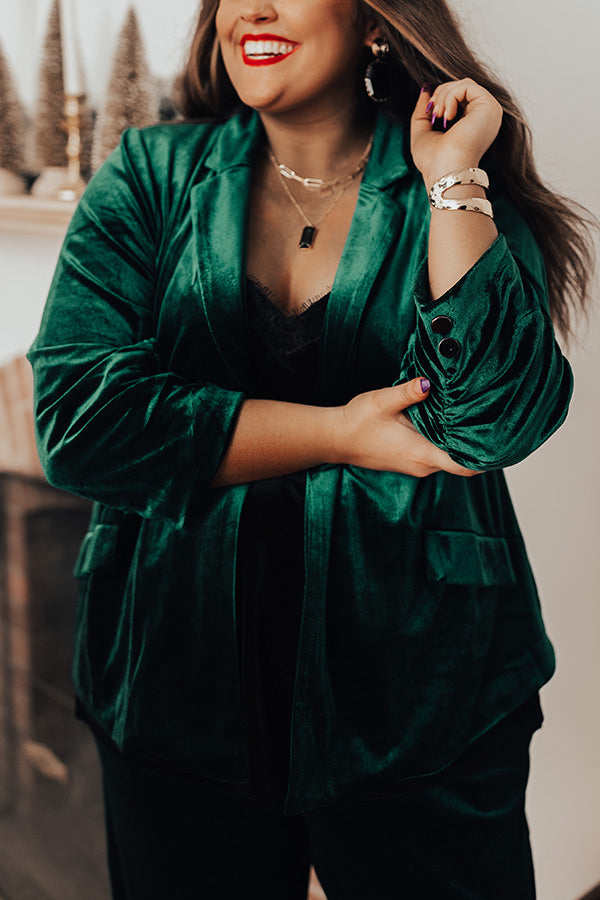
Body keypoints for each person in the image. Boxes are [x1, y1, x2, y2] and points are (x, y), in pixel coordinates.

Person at [27, 1, 596, 898]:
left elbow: (495, 421)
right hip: (177, 679)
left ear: (375, 20)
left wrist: (453, 179)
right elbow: (78, 422)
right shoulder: (151, 174)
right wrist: (340, 434)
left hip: (424, 690)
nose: (253, 6)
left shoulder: (450, 181)